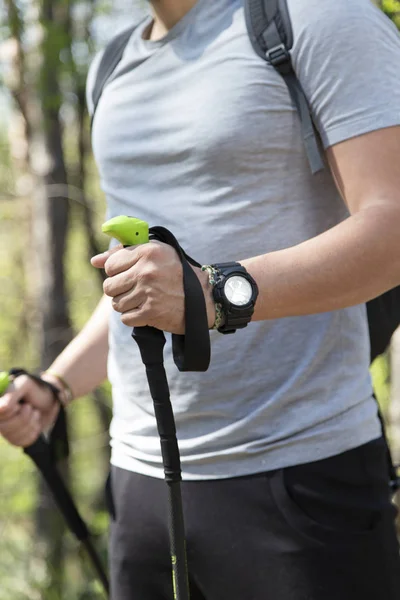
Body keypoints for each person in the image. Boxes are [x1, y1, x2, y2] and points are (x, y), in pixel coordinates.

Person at [2, 0, 400, 598]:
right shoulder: (112, 64)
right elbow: (148, 284)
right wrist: (58, 386)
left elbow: (392, 230)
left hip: (298, 475)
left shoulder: (318, 18)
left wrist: (213, 292)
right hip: (139, 482)